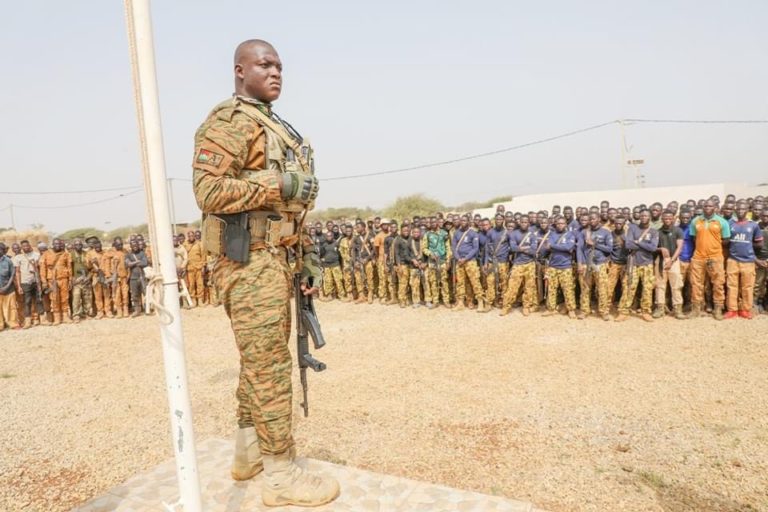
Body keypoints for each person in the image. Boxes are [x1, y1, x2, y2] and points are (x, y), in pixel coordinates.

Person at [191, 39, 337, 506]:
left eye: (279, 66)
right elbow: (208, 190)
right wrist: (280, 182)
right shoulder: (229, 121)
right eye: (264, 64)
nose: (276, 72)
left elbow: (290, 209)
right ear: (240, 70)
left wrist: (306, 254)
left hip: (276, 258)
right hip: (248, 261)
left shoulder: (273, 126)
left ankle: (248, 455)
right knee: (270, 368)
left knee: (258, 362)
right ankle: (280, 476)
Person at [688, 199, 730, 320]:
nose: (707, 207)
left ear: (715, 208)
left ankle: (718, 308)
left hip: (715, 257)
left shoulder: (722, 222)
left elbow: (726, 239)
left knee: (718, 283)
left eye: (710, 206)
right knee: (696, 284)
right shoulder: (695, 221)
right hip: (698, 257)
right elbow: (694, 238)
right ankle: (696, 309)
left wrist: (713, 246)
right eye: (705, 205)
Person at [616, 210, 658, 322]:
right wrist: (645, 245)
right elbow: (628, 244)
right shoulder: (632, 229)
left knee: (647, 289)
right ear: (639, 216)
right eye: (642, 215)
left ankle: (646, 311)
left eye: (646, 215)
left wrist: (638, 243)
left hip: (647, 263)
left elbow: (653, 248)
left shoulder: (654, 232)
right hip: (633, 262)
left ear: (649, 217)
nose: (644, 217)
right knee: (629, 287)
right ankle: (623, 311)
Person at [724, 201, 763, 319]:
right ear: (735, 210)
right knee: (732, 286)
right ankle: (732, 310)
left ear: (747, 210)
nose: (741, 211)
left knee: (747, 287)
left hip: (748, 261)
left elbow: (759, 243)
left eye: (743, 209)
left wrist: (748, 246)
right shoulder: (729, 223)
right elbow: (725, 241)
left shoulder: (753, 225)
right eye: (738, 209)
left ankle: (745, 309)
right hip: (732, 260)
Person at [576, 212, 613, 321]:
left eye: (594, 219)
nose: (591, 221)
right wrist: (579, 263)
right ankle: (584, 311)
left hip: (600, 264)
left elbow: (609, 249)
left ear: (599, 219)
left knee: (602, 289)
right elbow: (579, 249)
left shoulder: (606, 232)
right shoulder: (584, 232)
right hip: (586, 264)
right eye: (590, 219)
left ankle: (603, 312)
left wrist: (595, 244)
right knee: (585, 288)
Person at [500, 215, 538, 316]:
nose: (524, 224)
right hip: (518, 264)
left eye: (526, 222)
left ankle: (526, 306)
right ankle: (506, 306)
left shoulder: (532, 235)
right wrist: (525, 248)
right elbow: (512, 248)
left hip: (530, 264)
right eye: (522, 222)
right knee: (512, 287)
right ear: (519, 223)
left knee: (529, 287)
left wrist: (520, 248)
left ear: (528, 223)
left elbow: (534, 251)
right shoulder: (514, 234)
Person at [540, 216, 577, 318]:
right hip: (553, 266)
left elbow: (569, 247)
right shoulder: (552, 234)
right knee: (551, 289)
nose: (560, 225)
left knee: (568, 289)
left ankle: (571, 309)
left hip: (566, 266)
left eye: (562, 223)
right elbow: (550, 246)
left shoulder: (570, 235)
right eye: (558, 223)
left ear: (566, 224)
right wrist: (562, 248)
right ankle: (551, 309)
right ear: (556, 224)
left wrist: (553, 246)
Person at [452, 215, 485, 311]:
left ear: (469, 221)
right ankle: (461, 303)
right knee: (460, 283)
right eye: (461, 220)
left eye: (465, 220)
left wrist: (465, 258)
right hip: (459, 262)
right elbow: (453, 247)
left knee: (475, 282)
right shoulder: (456, 233)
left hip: (470, 261)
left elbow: (475, 248)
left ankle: (480, 302)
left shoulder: (473, 233)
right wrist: (458, 258)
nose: (463, 222)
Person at [39, 238, 72, 325]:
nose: (57, 245)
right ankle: (57, 318)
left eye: (59, 244)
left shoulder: (65, 254)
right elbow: (43, 269)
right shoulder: (46, 254)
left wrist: (70, 279)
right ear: (52, 244)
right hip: (52, 280)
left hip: (63, 279)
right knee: (54, 298)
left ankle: (65, 316)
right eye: (55, 244)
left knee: (65, 298)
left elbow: (69, 267)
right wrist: (44, 282)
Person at [12, 240, 42, 328]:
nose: (25, 247)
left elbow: (41, 268)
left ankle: (39, 319)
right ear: (22, 247)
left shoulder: (36, 255)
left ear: (30, 246)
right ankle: (28, 321)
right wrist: (19, 286)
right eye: (23, 246)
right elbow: (17, 272)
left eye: (27, 246)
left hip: (36, 281)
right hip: (25, 282)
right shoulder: (18, 257)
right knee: (27, 301)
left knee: (38, 300)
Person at [484, 214, 510, 309]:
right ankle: (490, 302)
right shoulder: (490, 232)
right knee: (490, 282)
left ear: (503, 220)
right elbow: (486, 248)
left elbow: (511, 247)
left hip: (503, 262)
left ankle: (504, 302)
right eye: (497, 219)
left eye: (500, 219)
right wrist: (486, 261)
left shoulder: (507, 232)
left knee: (503, 282)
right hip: (492, 261)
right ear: (494, 220)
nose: (499, 220)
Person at [424, 217, 451, 307]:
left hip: (442, 261)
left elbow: (448, 248)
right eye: (432, 222)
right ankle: (435, 301)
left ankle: (446, 300)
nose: (434, 223)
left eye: (435, 222)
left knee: (444, 281)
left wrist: (448, 260)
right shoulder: (427, 234)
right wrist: (430, 254)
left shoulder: (444, 233)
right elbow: (424, 248)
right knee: (433, 281)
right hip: (432, 262)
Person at [606, 215, 629, 306]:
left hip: (626, 264)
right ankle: (607, 305)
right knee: (609, 286)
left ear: (624, 224)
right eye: (617, 223)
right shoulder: (610, 234)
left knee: (626, 287)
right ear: (614, 224)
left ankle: (623, 307)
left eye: (620, 223)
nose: (618, 225)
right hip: (614, 263)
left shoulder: (628, 234)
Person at [70, 239, 93, 322]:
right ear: (74, 246)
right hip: (76, 280)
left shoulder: (87, 254)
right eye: (76, 245)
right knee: (76, 298)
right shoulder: (70, 254)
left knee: (86, 297)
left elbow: (91, 268)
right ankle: (76, 315)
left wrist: (88, 277)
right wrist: (72, 278)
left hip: (85, 279)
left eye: (80, 244)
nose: (78, 246)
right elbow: (69, 268)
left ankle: (87, 313)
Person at [88, 239, 111, 319]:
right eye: (96, 247)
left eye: (99, 246)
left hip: (105, 276)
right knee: (98, 295)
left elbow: (109, 264)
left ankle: (108, 311)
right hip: (96, 276)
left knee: (106, 295)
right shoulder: (90, 254)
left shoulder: (106, 253)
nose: (98, 248)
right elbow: (88, 266)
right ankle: (100, 312)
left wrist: (108, 276)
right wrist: (92, 263)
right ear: (94, 247)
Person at [126, 239, 148, 317]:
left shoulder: (142, 253)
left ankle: (147, 309)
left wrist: (133, 263)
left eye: (136, 245)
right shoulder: (128, 254)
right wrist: (137, 262)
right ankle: (137, 310)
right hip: (133, 278)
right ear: (131, 246)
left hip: (142, 276)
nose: (135, 247)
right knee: (135, 295)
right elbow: (128, 264)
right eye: (133, 245)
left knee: (146, 293)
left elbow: (145, 263)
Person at [319, 231, 344, 301]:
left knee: (338, 280)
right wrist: (323, 260)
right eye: (327, 236)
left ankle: (341, 295)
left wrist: (341, 264)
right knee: (328, 281)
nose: (329, 237)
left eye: (330, 236)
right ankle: (329, 295)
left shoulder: (336, 243)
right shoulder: (324, 245)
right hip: (326, 265)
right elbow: (321, 255)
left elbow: (340, 255)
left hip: (336, 264)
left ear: (333, 236)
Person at [108, 237, 130, 318]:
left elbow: (128, 265)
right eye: (118, 244)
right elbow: (106, 264)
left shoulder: (125, 251)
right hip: (115, 277)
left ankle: (125, 309)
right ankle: (119, 310)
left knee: (125, 294)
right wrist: (108, 274)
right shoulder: (110, 252)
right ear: (115, 244)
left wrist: (128, 275)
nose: (120, 246)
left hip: (124, 276)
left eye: (121, 244)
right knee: (117, 294)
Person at [184, 230, 205, 307]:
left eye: (192, 236)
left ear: (194, 236)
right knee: (191, 285)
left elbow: (203, 256)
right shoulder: (185, 245)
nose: (191, 237)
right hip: (190, 268)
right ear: (188, 237)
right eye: (189, 236)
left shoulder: (199, 244)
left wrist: (203, 266)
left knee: (200, 284)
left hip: (199, 267)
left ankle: (200, 300)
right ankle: (193, 300)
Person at [0, 243, 18, 331]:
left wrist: (6, 286)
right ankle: (1, 325)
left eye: (1, 249)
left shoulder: (8, 261)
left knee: (11, 308)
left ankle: (13, 324)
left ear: (3, 250)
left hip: (8, 289)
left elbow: (12, 275)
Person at [755, 211, 768, 313]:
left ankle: (765, 303)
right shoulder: (755, 227)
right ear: (760, 216)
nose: (765, 217)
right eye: (763, 215)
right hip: (758, 260)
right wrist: (756, 259)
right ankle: (755, 303)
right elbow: (749, 244)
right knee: (757, 284)